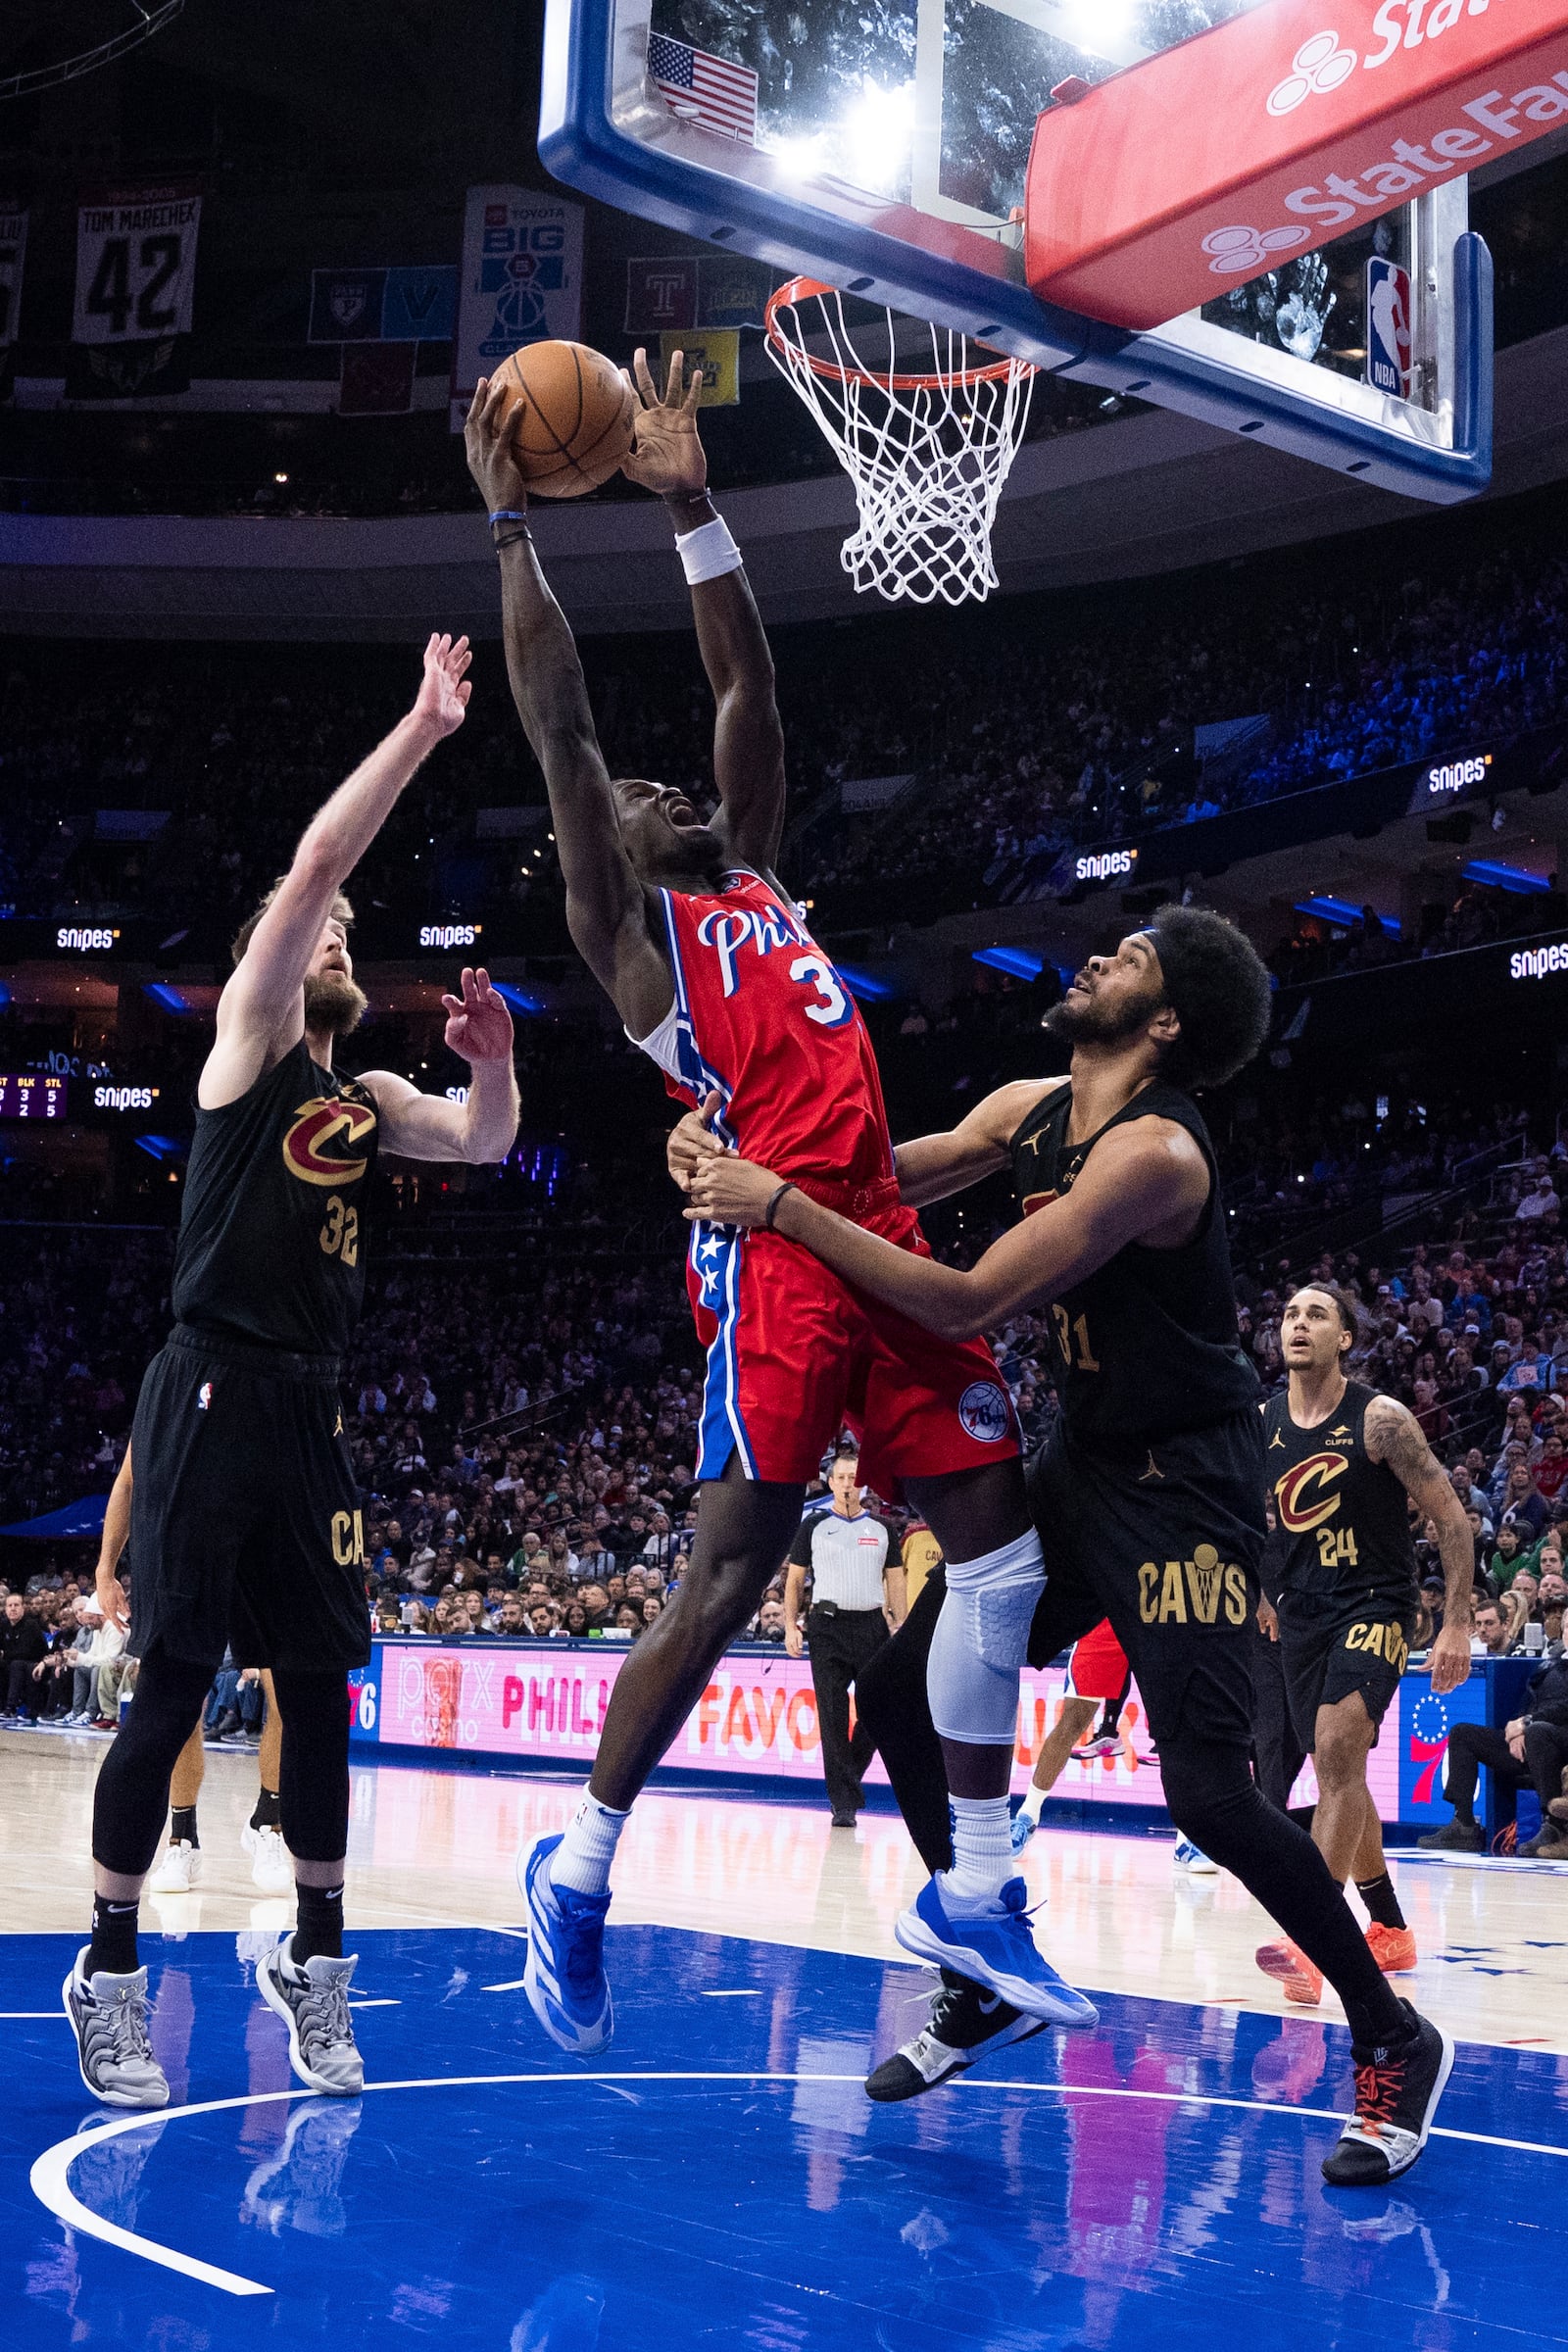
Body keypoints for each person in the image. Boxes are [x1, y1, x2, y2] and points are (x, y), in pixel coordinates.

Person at [467, 351, 1089, 2061]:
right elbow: (565, 726)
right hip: (781, 1252)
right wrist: (513, 522)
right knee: (731, 1572)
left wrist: (688, 501)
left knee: (999, 1550)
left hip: (878, 1235)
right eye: (645, 797)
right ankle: (578, 1870)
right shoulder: (635, 934)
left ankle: (975, 1883)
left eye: (682, 793)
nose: (671, 786)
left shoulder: (751, 873)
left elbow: (749, 694)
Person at [684, 907, 1453, 2187]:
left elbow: (973, 1295)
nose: (1099, 956)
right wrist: (743, 1143)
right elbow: (887, 1176)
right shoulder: (1035, 1103)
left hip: (1189, 1489)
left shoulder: (1155, 1155)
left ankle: (1393, 2032)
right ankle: (982, 1957)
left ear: (1163, 1026)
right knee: (895, 1689)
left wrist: (775, 1206)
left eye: (1135, 961)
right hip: (1081, 1461)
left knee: (1207, 1794)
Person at [65, 630, 520, 2110]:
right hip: (207, 1379)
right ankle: (111, 1968)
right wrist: (422, 733)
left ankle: (315, 1963)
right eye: (305, 920)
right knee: (175, 1688)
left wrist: (497, 1057)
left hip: (307, 1404)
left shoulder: (369, 1088)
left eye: (338, 931)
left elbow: (489, 1142)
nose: (329, 931)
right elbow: (323, 863)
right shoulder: (252, 1040)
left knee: (322, 1690)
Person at [1252, 1286, 1472, 2007]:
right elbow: (1260, 1520)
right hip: (1303, 1612)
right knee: (1338, 1772)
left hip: (1375, 1604)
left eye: (1316, 1314)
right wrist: (1262, 1590)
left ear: (1346, 1337)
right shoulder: (1263, 1424)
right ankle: (1391, 1930)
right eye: (1289, 1314)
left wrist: (1457, 1621)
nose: (1299, 1324)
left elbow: (1451, 1520)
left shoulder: (1380, 1420)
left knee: (1340, 1754)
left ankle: (1312, 1944)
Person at [783, 1446, 906, 1827]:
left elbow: (896, 1578)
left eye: (854, 1478)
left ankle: (848, 1776)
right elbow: (795, 1580)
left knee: (878, 1710)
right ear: (831, 1483)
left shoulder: (882, 1527)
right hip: (827, 1626)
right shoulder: (814, 1526)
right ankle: (843, 1804)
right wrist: (791, 1625)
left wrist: (899, 1623)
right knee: (832, 1714)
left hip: (872, 1625)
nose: (848, 1485)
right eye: (841, 1478)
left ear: (863, 1482)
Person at [1419, 1645, 1568, 1857]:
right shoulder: (1547, 1665)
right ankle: (1464, 1825)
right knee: (1463, 1734)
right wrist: (1517, 1730)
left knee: (1539, 1732)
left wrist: (1529, 1723)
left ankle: (1554, 1826)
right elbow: (1529, 1700)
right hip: (1532, 1737)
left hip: (1558, 1741)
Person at [1008, 1620, 1133, 1846]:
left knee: (1177, 1724)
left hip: (1155, 1615)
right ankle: (1027, 1815)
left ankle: (1190, 1840)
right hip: (1104, 1622)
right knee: (1071, 1723)